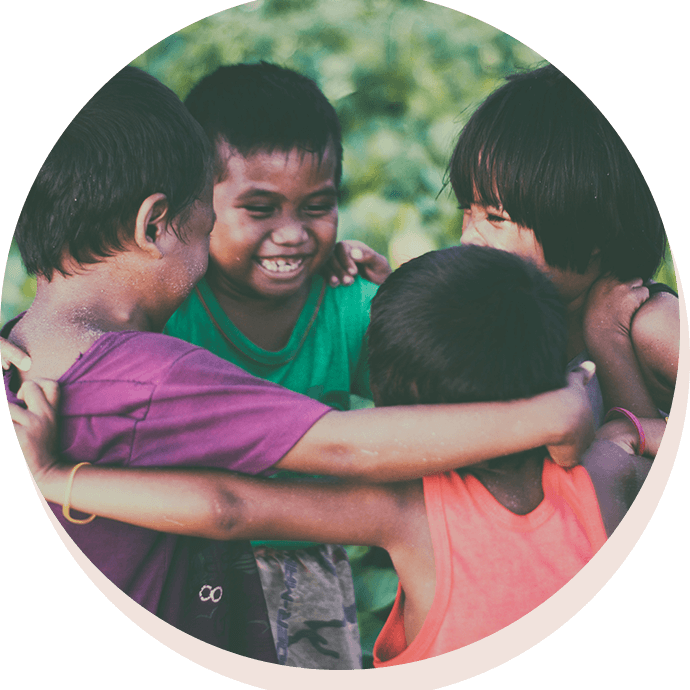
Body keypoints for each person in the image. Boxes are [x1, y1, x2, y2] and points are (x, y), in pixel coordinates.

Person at [3, 65, 595, 667]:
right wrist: (553, 412)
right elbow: (331, 451)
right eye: (207, 222)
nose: (288, 235)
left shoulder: (22, 350)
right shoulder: (152, 372)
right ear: (155, 224)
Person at [11, 245, 665, 667]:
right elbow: (638, 435)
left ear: (398, 410)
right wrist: (613, 399)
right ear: (559, 371)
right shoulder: (607, 469)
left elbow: (226, 505)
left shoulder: (405, 510)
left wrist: (51, 476)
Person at [166, 63, 390, 668]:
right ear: (193, 200)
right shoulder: (166, 307)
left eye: (317, 207)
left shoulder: (352, 306)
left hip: (311, 567)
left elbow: (435, 393)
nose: (292, 235)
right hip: (178, 559)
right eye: (260, 208)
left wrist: (403, 296)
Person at [449, 63, 679, 422]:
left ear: (591, 232)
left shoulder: (654, 325)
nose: (467, 236)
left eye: (496, 218)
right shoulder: (502, 317)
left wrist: (610, 343)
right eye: (467, 210)